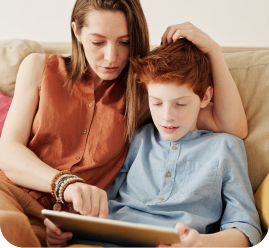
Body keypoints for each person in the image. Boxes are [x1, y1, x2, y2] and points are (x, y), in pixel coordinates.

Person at [0, 0, 248, 248]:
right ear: (77, 32)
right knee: (6, 224)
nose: (111, 57)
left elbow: (231, 127)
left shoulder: (148, 94)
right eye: (97, 42)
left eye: (124, 42)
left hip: (67, 227)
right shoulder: (38, 67)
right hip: (9, 195)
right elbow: (7, 152)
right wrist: (65, 184)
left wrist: (213, 50)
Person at [46, 38, 261, 248]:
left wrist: (201, 243)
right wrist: (66, 232)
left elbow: (245, 228)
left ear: (205, 97)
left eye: (180, 104)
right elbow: (102, 202)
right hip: (108, 239)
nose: (167, 117)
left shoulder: (225, 147)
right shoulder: (138, 138)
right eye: (157, 103)